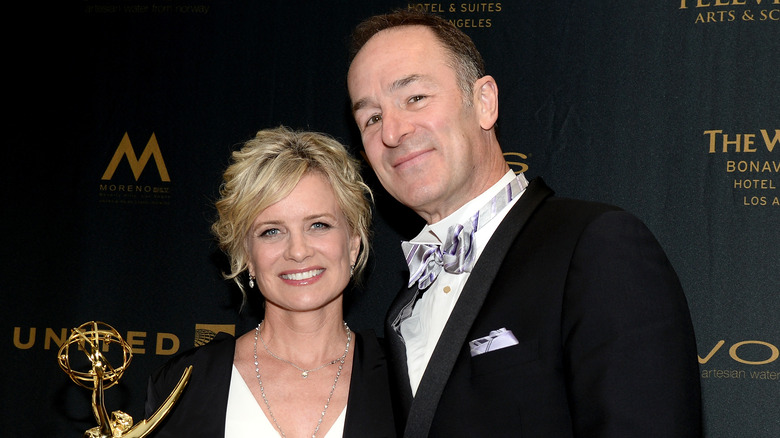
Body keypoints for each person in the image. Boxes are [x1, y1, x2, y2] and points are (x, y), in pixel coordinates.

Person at [347, 10, 702, 438]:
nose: (393, 131)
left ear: (484, 102)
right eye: (371, 118)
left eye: (415, 98)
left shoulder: (594, 245)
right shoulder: (403, 308)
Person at [144, 126, 396, 437]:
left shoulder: (405, 380)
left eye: (319, 224)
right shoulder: (184, 384)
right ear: (247, 254)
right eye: (271, 231)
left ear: (353, 243)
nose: (298, 251)